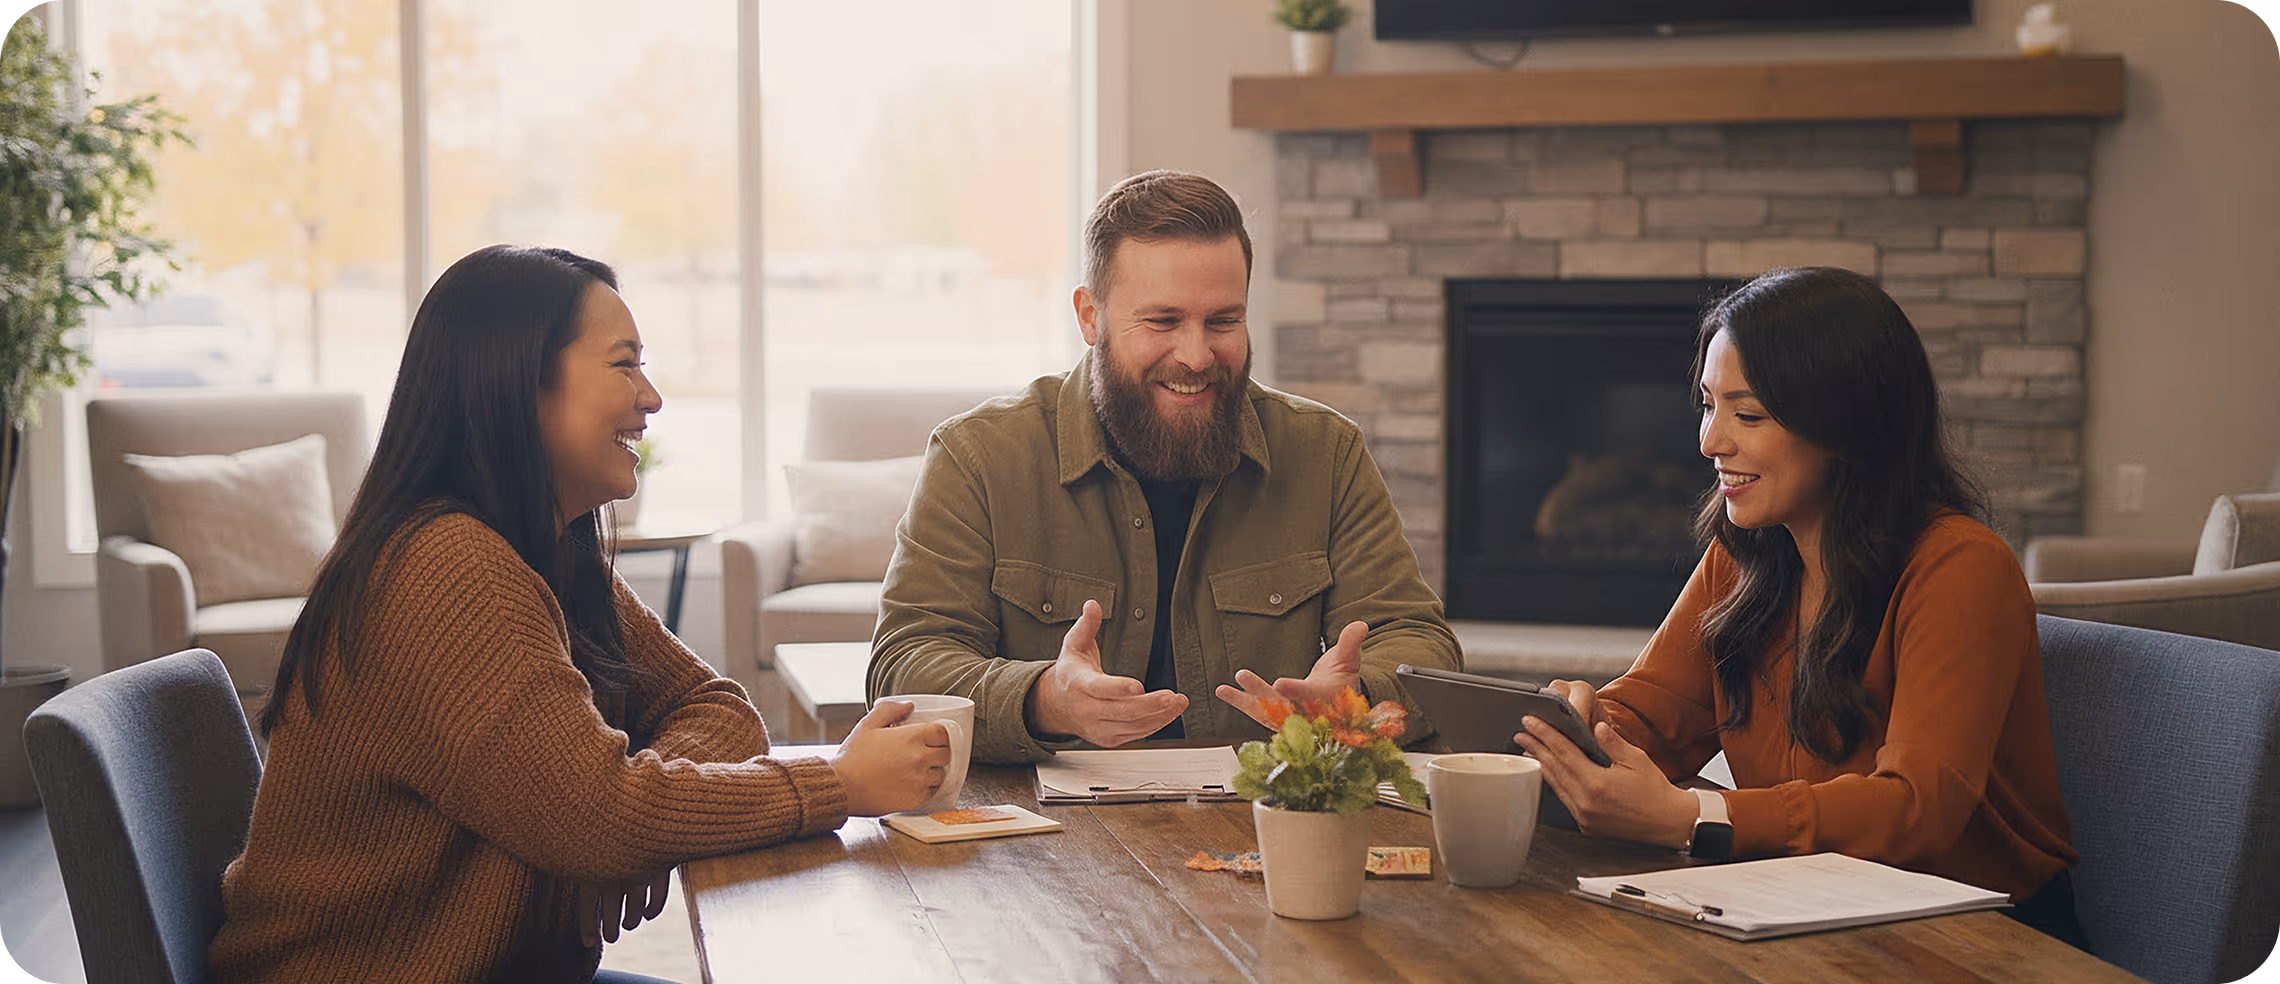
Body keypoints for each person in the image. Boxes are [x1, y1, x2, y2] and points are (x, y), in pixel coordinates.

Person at [207, 246, 951, 983]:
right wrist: (837, 785)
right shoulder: (446, 568)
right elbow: (599, 818)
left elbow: (714, 708)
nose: (651, 397)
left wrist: (618, 832)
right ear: (520, 384)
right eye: (624, 364)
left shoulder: (544, 549)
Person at [1510, 266, 2085, 947]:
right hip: (1797, 904)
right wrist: (1583, 727)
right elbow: (1655, 712)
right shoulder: (1748, 549)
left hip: (1973, 934)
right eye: (1707, 404)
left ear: (1846, 427)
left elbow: (1917, 808)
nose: (1709, 441)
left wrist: (1693, 815)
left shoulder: (1961, 566)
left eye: (1747, 414)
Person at [869, 170, 1460, 764]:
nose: (1197, 355)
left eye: (1223, 321)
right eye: (1163, 322)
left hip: (1263, 817)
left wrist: (1352, 704)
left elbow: (1422, 646)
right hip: (1045, 837)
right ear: (1089, 317)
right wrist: (1045, 700)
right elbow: (904, 665)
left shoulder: (1325, 453)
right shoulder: (979, 456)